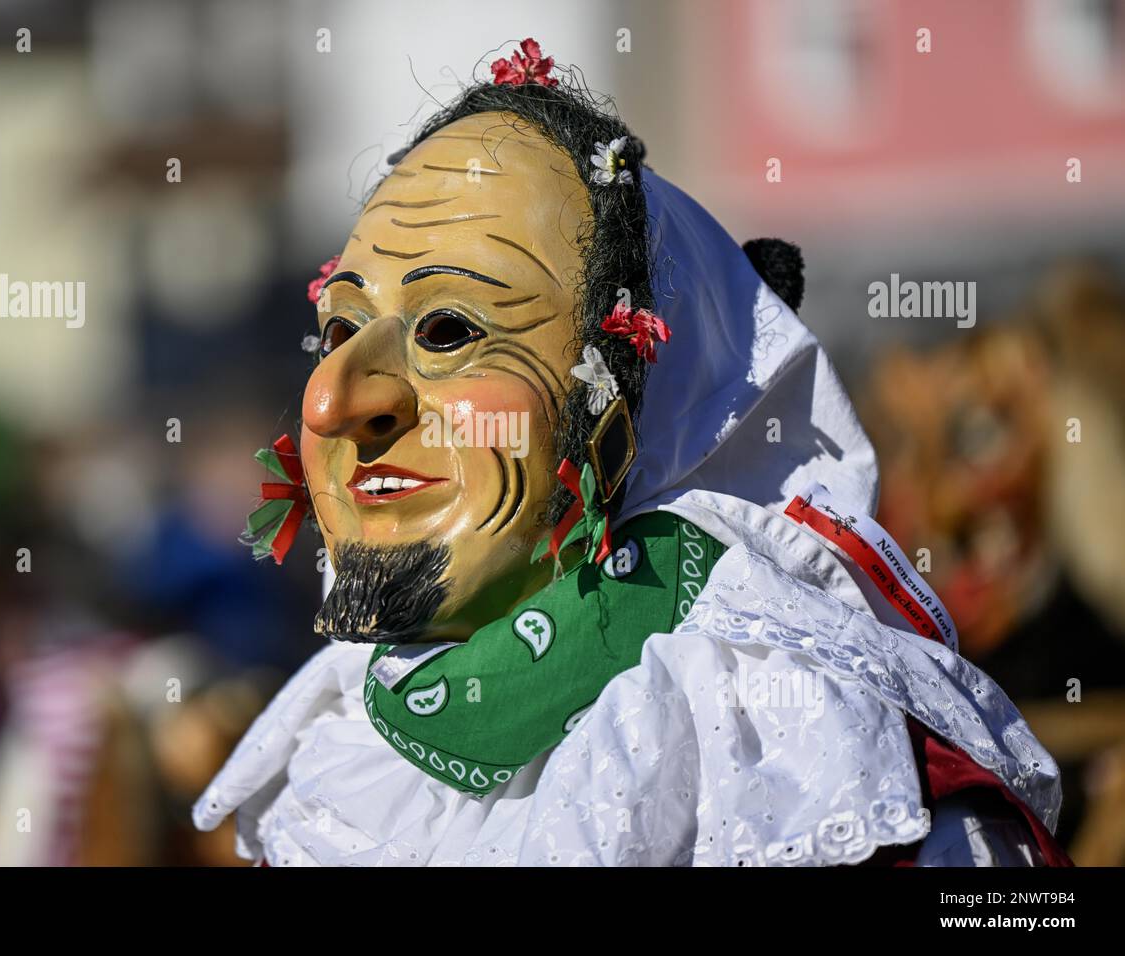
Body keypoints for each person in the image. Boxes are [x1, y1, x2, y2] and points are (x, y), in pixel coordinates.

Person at [193, 40, 1067, 866]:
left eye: (450, 329)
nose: (334, 400)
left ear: (631, 404)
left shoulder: (803, 757)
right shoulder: (336, 758)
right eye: (340, 329)